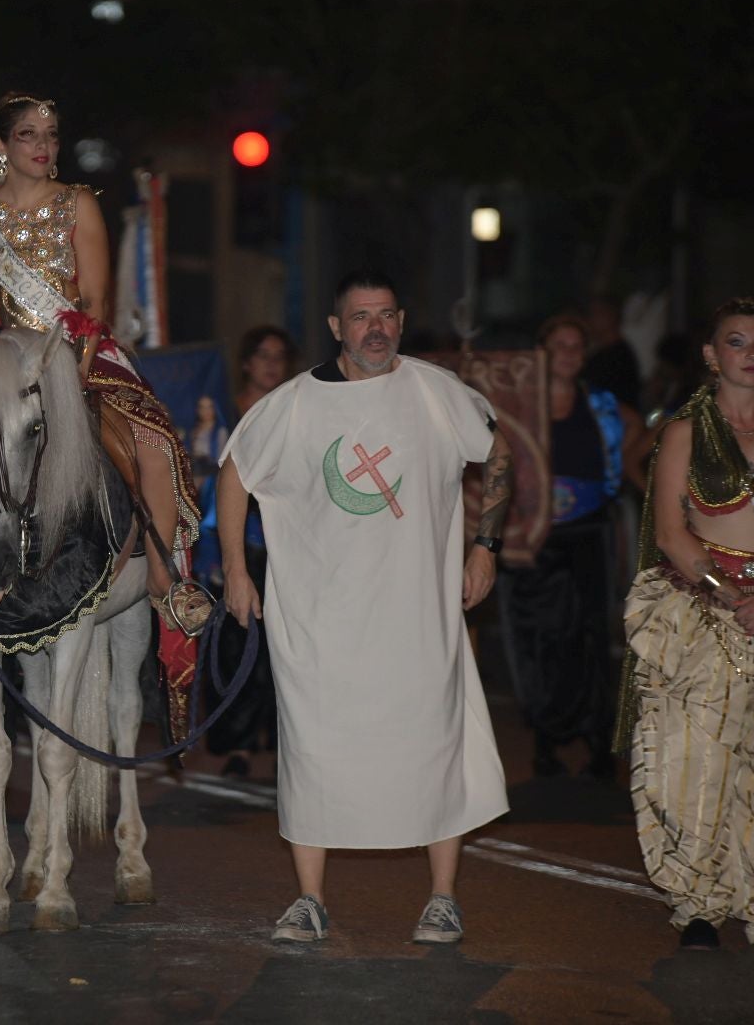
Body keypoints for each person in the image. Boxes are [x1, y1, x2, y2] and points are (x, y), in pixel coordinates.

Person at [218, 269, 511, 945]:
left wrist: (485, 546)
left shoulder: (436, 392)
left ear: (401, 322)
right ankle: (310, 899)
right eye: (360, 317)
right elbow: (236, 473)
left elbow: (497, 452)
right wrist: (237, 567)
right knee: (316, 752)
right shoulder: (294, 404)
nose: (374, 329)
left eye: (385, 316)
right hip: (323, 618)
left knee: (434, 744)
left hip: (416, 615)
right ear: (335, 327)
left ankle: (442, 897)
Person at [0, 93, 206, 638]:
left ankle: (164, 583)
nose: (43, 147)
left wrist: (73, 366)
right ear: (2, 146)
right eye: (28, 135)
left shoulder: (78, 203)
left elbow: (94, 300)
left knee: (153, 442)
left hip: (76, 351)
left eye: (50, 136)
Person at [619, 297, 754, 951]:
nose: (750, 353)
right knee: (695, 760)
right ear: (710, 354)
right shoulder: (684, 432)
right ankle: (698, 903)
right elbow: (672, 535)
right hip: (704, 612)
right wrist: (739, 602)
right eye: (735, 341)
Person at [500, 315, 641, 779]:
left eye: (576, 345)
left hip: (588, 533)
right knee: (542, 639)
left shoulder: (600, 405)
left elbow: (639, 441)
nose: (567, 353)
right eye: (558, 344)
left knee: (591, 635)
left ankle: (599, 740)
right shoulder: (520, 405)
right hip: (535, 539)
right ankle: (547, 738)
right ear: (541, 350)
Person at [201, 326, 299, 779]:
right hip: (236, 547)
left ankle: (286, 745)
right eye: (263, 355)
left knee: (286, 652)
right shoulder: (220, 414)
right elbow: (206, 484)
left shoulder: (297, 412)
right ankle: (238, 746)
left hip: (288, 547)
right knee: (237, 648)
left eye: (280, 356)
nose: (272, 364)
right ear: (246, 362)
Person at [582, 295, 642, 412]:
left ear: (611, 316)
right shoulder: (599, 354)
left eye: (595, 314)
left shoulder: (619, 358)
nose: (589, 320)